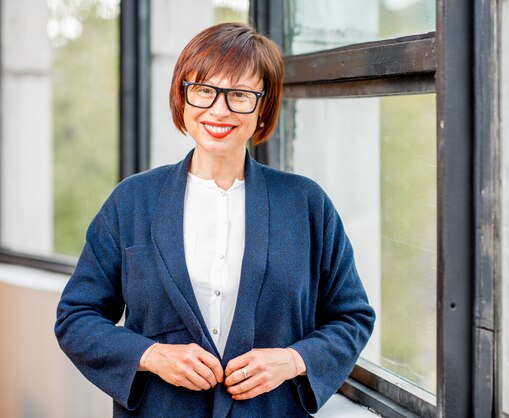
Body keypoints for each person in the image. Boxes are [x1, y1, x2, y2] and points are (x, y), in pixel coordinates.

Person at [55, 22, 375, 417]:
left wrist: (293, 360)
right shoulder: (132, 200)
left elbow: (352, 316)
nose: (218, 110)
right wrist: (151, 354)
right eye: (204, 91)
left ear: (263, 107)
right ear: (183, 99)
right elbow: (76, 318)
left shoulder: (307, 204)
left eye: (239, 94)